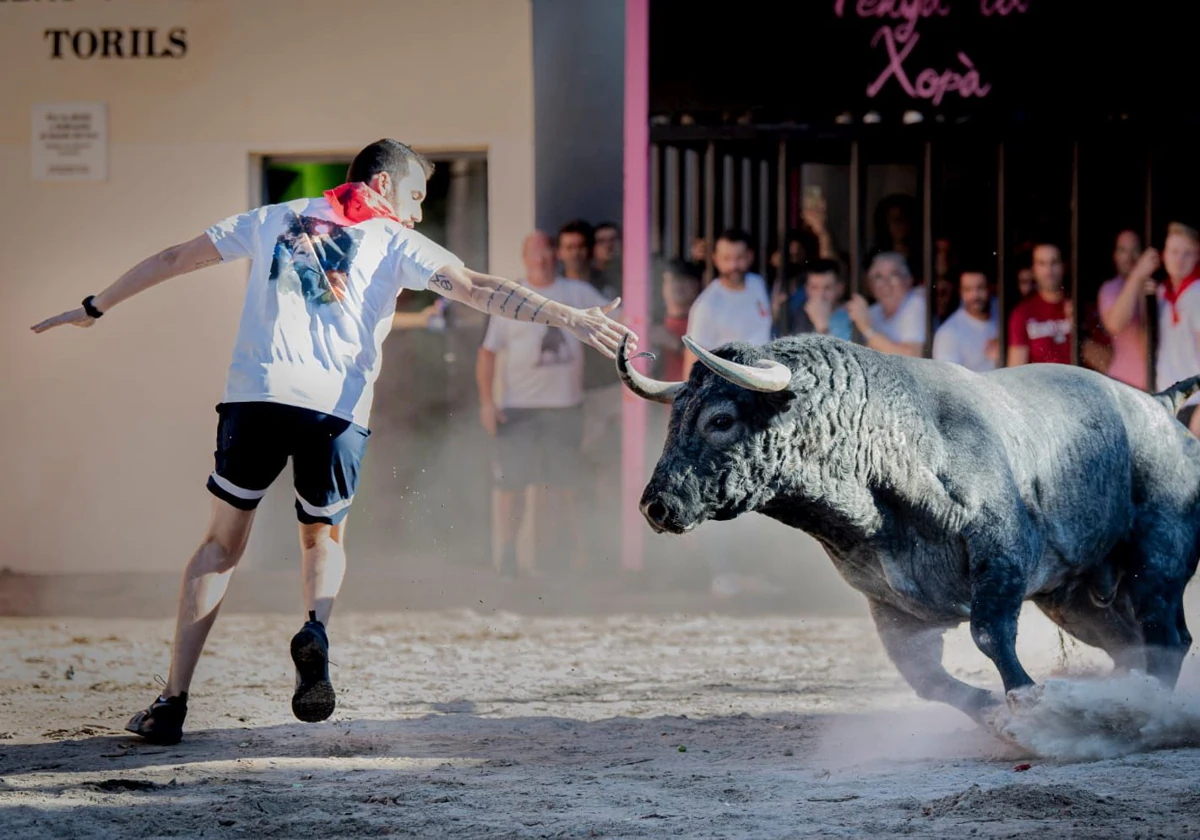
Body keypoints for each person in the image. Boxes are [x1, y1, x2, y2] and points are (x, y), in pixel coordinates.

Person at [29, 138, 636, 745]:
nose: (419, 212)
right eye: (416, 196)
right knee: (322, 536)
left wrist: (93, 307)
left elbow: (171, 258)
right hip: (337, 411)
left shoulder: (272, 218)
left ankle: (171, 703)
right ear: (380, 183)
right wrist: (569, 316)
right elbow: (476, 286)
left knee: (219, 545)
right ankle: (315, 628)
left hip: (258, 397)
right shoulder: (397, 241)